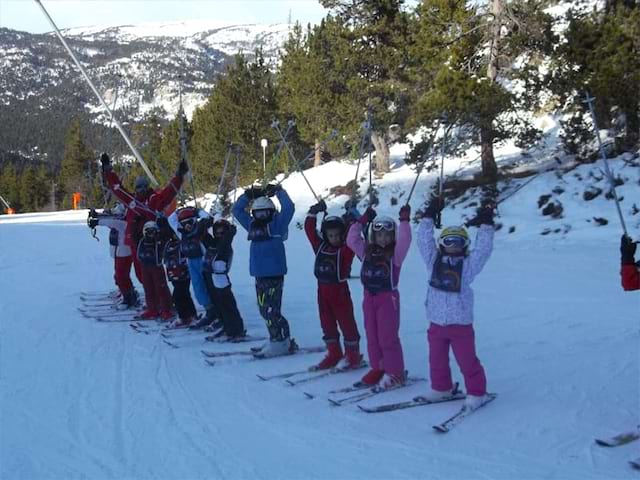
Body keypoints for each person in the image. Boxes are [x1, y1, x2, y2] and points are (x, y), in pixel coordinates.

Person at [416, 197, 495, 410]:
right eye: (448, 241)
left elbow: (483, 251)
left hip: (460, 325)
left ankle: (477, 392)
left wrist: (486, 225)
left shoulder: (468, 267)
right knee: (437, 360)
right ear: (442, 244)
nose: (452, 246)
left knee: (467, 360)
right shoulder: (433, 262)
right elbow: (424, 241)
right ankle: (442, 387)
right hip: (436, 323)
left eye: (458, 242)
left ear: (464, 245)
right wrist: (428, 216)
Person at [100, 153, 186, 319]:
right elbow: (117, 188)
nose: (140, 190)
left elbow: (169, 192)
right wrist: (107, 170)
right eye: (138, 187)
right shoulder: (132, 200)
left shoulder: (153, 199)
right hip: (136, 243)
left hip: (152, 244)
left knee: (156, 276)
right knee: (143, 277)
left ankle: (165, 306)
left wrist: (179, 176)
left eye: (143, 187)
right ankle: (152, 306)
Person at [346, 204, 412, 390]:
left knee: (387, 337)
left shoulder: (395, 256)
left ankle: (395, 373)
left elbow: (405, 241)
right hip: (369, 298)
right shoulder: (367, 252)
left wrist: (404, 221)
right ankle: (378, 367)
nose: (383, 239)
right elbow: (351, 240)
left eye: (388, 235)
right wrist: (361, 221)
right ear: (373, 236)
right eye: (380, 235)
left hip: (387, 299)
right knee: (372, 335)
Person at [232, 184, 295, 357]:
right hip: (259, 275)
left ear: (272, 212)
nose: (261, 216)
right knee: (263, 310)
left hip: (274, 275)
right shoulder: (252, 225)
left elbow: (289, 208)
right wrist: (248, 195)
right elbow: (236, 210)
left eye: (265, 213)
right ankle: (277, 338)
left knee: (271, 310)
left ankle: (281, 341)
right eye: (257, 213)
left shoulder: (277, 226)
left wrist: (279, 192)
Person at [304, 199, 361, 370]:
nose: (334, 238)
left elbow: (353, 238)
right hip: (322, 291)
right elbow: (309, 231)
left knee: (346, 323)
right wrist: (313, 212)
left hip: (340, 292)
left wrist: (352, 220)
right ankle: (334, 352)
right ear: (325, 235)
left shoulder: (345, 250)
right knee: (326, 322)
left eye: (337, 235)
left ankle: (352, 355)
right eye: (331, 235)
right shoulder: (320, 247)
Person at [168, 207, 221, 329]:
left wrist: (197, 211)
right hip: (191, 262)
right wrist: (181, 210)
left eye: (190, 222)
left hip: (204, 260)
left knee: (210, 287)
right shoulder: (181, 233)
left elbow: (208, 218)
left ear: (194, 221)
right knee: (198, 288)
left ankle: (218, 313)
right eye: (184, 223)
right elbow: (171, 219)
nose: (187, 226)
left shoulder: (201, 229)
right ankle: (209, 311)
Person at [87, 203, 139, 308]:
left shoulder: (123, 222)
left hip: (124, 252)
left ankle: (128, 298)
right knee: (120, 275)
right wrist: (97, 215)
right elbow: (110, 219)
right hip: (119, 251)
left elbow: (112, 221)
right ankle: (128, 294)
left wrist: (97, 221)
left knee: (121, 276)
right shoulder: (120, 220)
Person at [202, 218, 246, 340]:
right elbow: (202, 236)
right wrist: (205, 224)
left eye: (223, 232)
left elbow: (223, 245)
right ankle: (227, 327)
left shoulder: (226, 246)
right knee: (219, 305)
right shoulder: (213, 243)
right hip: (211, 277)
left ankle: (236, 329)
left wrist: (230, 235)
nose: (219, 235)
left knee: (228, 304)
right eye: (217, 232)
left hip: (221, 279)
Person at [161, 222, 198, 328]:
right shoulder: (169, 243)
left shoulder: (183, 242)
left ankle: (184, 316)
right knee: (183, 294)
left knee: (178, 295)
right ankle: (191, 314)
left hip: (183, 272)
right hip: (173, 272)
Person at [136, 221, 174, 320]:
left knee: (160, 288)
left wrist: (163, 224)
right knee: (148, 288)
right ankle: (152, 308)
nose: (151, 235)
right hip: (145, 266)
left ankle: (166, 309)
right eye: (148, 232)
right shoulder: (142, 241)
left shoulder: (159, 241)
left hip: (156, 267)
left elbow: (167, 235)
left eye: (153, 232)